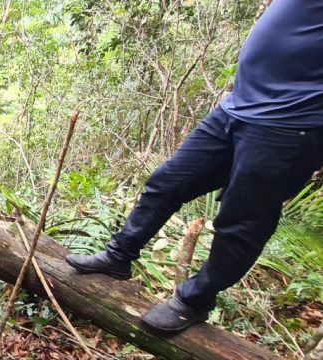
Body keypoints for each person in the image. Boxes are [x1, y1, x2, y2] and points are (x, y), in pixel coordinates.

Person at [66, 0, 323, 333]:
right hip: (237, 107)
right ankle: (119, 255)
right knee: (168, 181)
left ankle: (194, 301)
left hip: (290, 123)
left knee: (243, 220)